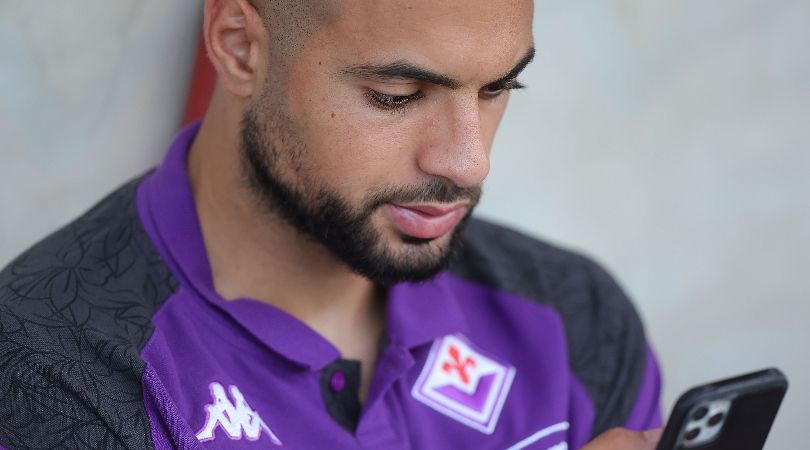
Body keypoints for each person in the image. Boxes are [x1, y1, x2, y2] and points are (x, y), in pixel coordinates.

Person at [0, 0, 663, 448]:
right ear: (239, 48)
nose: (469, 161)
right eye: (396, 97)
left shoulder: (574, 318)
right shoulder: (51, 369)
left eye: (497, 89)